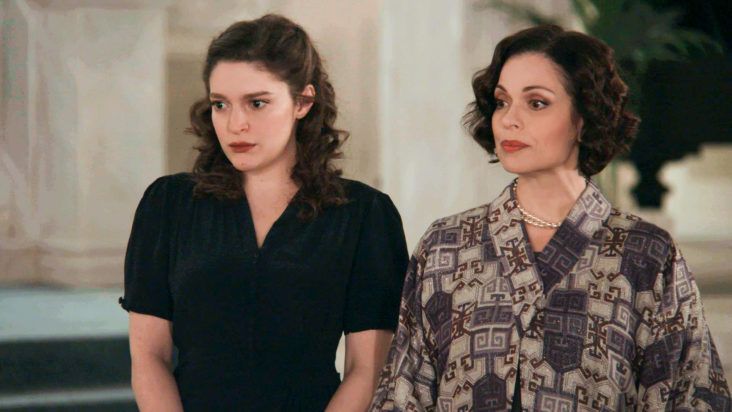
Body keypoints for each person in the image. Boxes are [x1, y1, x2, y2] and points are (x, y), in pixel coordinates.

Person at [370, 25, 730, 411]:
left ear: (584, 117)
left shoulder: (646, 254)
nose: (509, 119)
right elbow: (402, 395)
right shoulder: (447, 246)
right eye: (502, 102)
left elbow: (692, 395)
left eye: (536, 103)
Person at [119, 14, 408, 411]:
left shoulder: (364, 215)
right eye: (220, 105)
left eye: (257, 103)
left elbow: (368, 370)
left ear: (303, 102)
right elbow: (149, 356)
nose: (235, 124)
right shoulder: (168, 204)